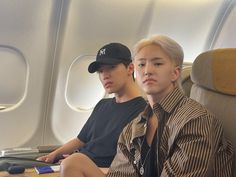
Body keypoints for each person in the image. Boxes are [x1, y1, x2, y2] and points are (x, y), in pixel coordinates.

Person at [60, 35, 233, 177]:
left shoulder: (195, 120)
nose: (147, 70)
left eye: (157, 63)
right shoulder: (135, 126)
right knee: (74, 162)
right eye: (141, 64)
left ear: (175, 72)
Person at [37, 42, 146, 169]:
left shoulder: (142, 111)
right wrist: (54, 154)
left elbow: (130, 165)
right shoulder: (102, 105)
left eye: (111, 67)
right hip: (75, 163)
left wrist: (79, 164)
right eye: (100, 71)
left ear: (130, 68)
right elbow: (80, 140)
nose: (105, 75)